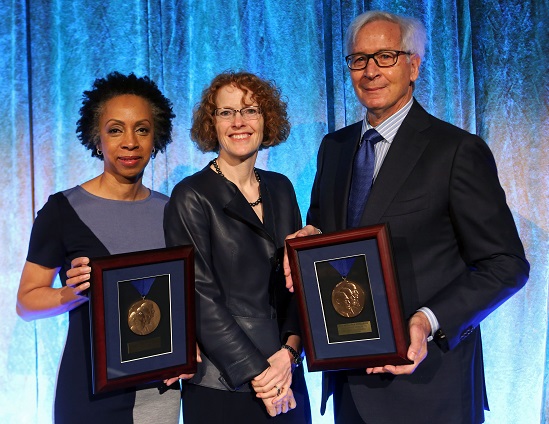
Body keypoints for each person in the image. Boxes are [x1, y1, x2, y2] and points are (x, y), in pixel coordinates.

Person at [284, 10, 529, 424]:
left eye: (386, 56)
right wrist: (311, 241)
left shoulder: (455, 151)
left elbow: (505, 265)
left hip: (430, 386)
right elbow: (330, 236)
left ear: (413, 66)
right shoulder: (334, 147)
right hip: (349, 383)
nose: (370, 70)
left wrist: (427, 321)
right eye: (359, 59)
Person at [16, 72, 188, 423]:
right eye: (115, 130)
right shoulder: (62, 211)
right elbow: (26, 303)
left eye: (141, 129)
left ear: (156, 138)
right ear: (97, 139)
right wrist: (71, 293)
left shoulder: (174, 212)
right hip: (87, 391)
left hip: (157, 389)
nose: (130, 142)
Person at [164, 71, 311, 423]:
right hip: (226, 382)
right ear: (210, 124)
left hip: (286, 374)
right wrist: (260, 374)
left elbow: (297, 283)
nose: (239, 122)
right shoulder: (190, 195)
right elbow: (200, 299)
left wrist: (289, 355)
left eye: (250, 110)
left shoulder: (281, 188)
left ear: (266, 119)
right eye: (226, 112)